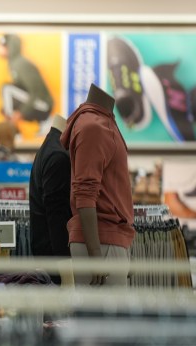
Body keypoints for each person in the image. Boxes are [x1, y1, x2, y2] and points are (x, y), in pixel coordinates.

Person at [60, 84, 134, 286]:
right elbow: (84, 191)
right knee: (103, 317)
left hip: (106, 241)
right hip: (101, 241)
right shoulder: (94, 126)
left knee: (104, 317)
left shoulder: (100, 122)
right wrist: (96, 254)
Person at [29, 114, 72, 265]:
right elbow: (57, 217)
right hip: (54, 259)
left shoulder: (49, 147)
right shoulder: (58, 154)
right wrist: (65, 264)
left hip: (46, 254)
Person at [0, 33, 53, 126]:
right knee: (7, 99)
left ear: (9, 47)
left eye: (2, 45)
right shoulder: (14, 63)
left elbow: (36, 92)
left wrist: (21, 113)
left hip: (44, 105)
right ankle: (12, 127)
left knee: (6, 89)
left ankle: (11, 127)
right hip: (37, 102)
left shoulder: (21, 63)